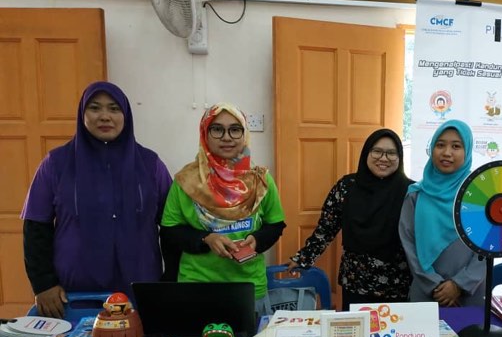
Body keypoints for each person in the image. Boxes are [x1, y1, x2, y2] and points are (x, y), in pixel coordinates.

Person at [21, 81, 172, 317]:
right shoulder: (57, 164)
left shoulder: (150, 164)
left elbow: (172, 226)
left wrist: (170, 281)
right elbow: (35, 226)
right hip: (74, 296)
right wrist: (43, 284)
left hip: (141, 292)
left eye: (114, 108)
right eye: (94, 108)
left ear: (126, 115)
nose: (104, 116)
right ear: (82, 114)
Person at [160, 102, 285, 314]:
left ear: (244, 135)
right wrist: (206, 239)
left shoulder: (260, 180)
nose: (227, 137)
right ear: (204, 134)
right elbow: (170, 231)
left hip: (249, 287)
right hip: (197, 286)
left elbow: (275, 225)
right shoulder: (185, 181)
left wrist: (257, 240)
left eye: (235, 130)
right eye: (217, 129)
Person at [288, 129, 412, 310]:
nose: (384, 158)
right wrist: (303, 258)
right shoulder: (347, 187)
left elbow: (422, 239)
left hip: (398, 285)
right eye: (377, 151)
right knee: (355, 327)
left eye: (391, 153)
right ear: (366, 153)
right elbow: (326, 228)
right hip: (356, 282)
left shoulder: (411, 192)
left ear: (400, 157)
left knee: (394, 328)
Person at [399, 120, 486, 307]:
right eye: (440, 145)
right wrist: (433, 284)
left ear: (467, 151)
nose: (447, 153)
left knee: (469, 327)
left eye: (456, 146)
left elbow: (489, 247)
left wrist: (460, 284)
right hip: (426, 293)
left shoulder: (480, 195)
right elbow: (409, 243)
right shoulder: (416, 194)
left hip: (469, 294)